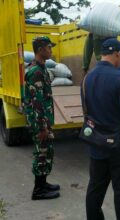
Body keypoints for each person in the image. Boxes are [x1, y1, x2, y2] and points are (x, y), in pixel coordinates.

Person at [83, 38, 120, 220]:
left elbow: (86, 110)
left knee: (95, 189)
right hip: (119, 145)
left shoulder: (87, 78)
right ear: (118, 54)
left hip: (96, 143)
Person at [23, 36, 60, 200]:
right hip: (40, 122)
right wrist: (42, 127)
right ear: (40, 50)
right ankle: (38, 190)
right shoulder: (35, 71)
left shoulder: (41, 68)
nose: (51, 50)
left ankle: (43, 183)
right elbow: (36, 101)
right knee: (42, 153)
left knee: (47, 151)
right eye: (49, 47)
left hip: (44, 119)